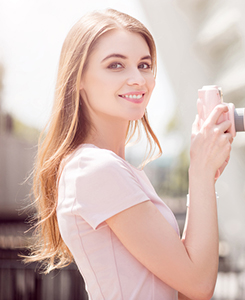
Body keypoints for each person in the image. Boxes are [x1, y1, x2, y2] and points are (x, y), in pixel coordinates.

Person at [24, 8, 233, 300]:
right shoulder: (94, 168)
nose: (138, 79)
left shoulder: (117, 169)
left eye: (144, 65)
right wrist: (199, 172)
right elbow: (200, 285)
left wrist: (205, 176)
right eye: (115, 65)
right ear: (78, 78)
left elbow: (183, 288)